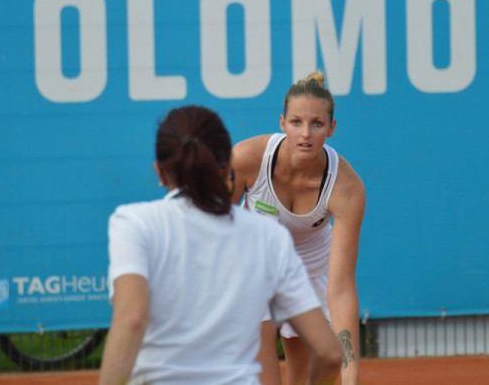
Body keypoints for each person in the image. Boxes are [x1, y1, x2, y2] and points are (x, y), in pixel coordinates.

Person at [98, 105, 342, 385]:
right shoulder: (269, 237)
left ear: (160, 173)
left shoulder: (132, 223)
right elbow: (329, 355)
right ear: (228, 167)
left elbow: (131, 320)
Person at [231, 71, 366, 385]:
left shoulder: (347, 187)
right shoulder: (244, 159)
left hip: (310, 271)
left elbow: (342, 288)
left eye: (317, 124)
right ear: (282, 123)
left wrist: (352, 375)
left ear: (331, 128)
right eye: (296, 122)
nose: (305, 134)